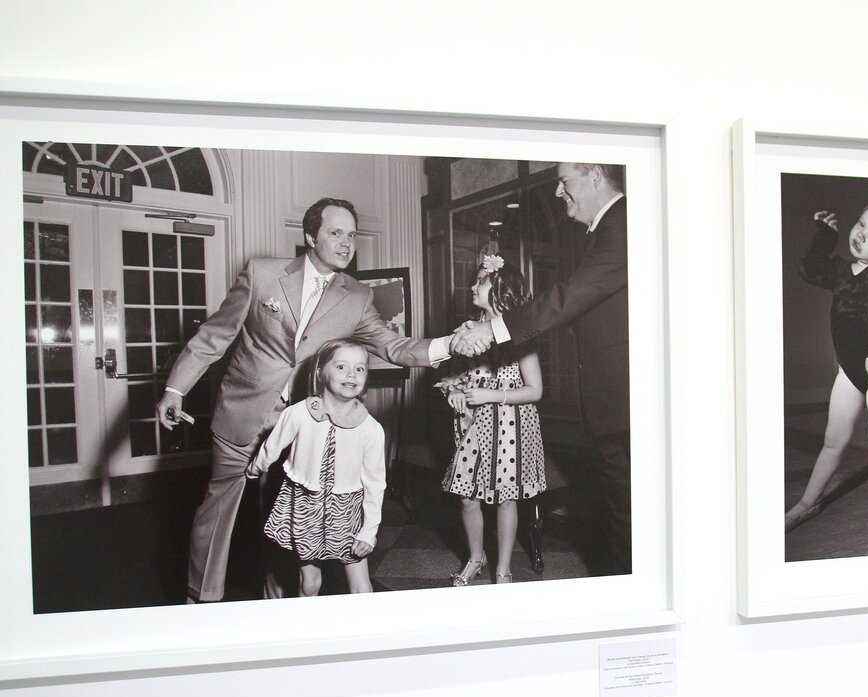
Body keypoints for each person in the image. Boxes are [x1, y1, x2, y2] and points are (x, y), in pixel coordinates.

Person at [157, 197, 456, 603]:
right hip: (242, 412)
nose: (347, 243)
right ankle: (201, 599)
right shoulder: (262, 273)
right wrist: (176, 389)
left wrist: (449, 345)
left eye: (352, 235)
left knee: (283, 520)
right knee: (217, 511)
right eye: (336, 233)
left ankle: (277, 605)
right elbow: (215, 335)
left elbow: (394, 346)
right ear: (311, 236)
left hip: (305, 426)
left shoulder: (357, 296)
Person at [449, 163, 630, 575]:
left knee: (628, 512)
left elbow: (570, 297)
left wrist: (496, 330)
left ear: (595, 175)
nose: (558, 193)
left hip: (624, 401)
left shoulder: (624, 224)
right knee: (622, 509)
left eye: (564, 182)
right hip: (612, 403)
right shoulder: (600, 232)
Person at [785, 204, 868, 528]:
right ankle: (807, 502)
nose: (862, 236)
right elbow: (808, 270)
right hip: (850, 371)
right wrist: (825, 237)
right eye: (861, 225)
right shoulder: (840, 270)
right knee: (833, 439)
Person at [439, 255, 546, 586]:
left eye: (481, 281)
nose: (473, 285)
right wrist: (454, 391)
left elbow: (535, 390)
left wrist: (491, 395)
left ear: (502, 289)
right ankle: (476, 558)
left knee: (505, 497)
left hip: (511, 424)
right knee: (466, 495)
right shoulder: (467, 331)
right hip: (474, 424)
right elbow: (455, 377)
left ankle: (503, 568)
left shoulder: (521, 334)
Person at [246, 339, 382, 596]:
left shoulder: (370, 428)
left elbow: (375, 484)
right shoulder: (298, 414)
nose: (351, 374)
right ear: (320, 373)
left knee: (360, 586)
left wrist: (369, 531)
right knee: (309, 583)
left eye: (360, 368)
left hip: (347, 508)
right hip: (305, 503)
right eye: (341, 366)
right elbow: (271, 447)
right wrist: (254, 469)